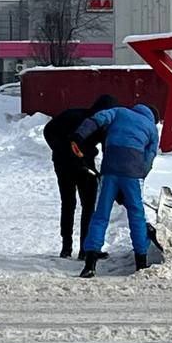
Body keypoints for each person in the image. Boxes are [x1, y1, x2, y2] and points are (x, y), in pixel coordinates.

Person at [72, 103, 161, 278]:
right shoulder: (151, 128)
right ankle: (141, 264)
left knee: (100, 215)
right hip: (133, 174)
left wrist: (78, 136)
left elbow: (97, 119)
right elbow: (149, 157)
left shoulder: (119, 112)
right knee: (136, 215)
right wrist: (137, 175)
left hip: (109, 170)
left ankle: (89, 265)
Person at [44, 94, 118, 258]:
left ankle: (67, 248)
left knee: (68, 203)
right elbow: (106, 149)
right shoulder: (98, 123)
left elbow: (48, 130)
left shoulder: (73, 114)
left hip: (66, 164)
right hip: (78, 166)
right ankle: (84, 249)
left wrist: (58, 149)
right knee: (88, 206)